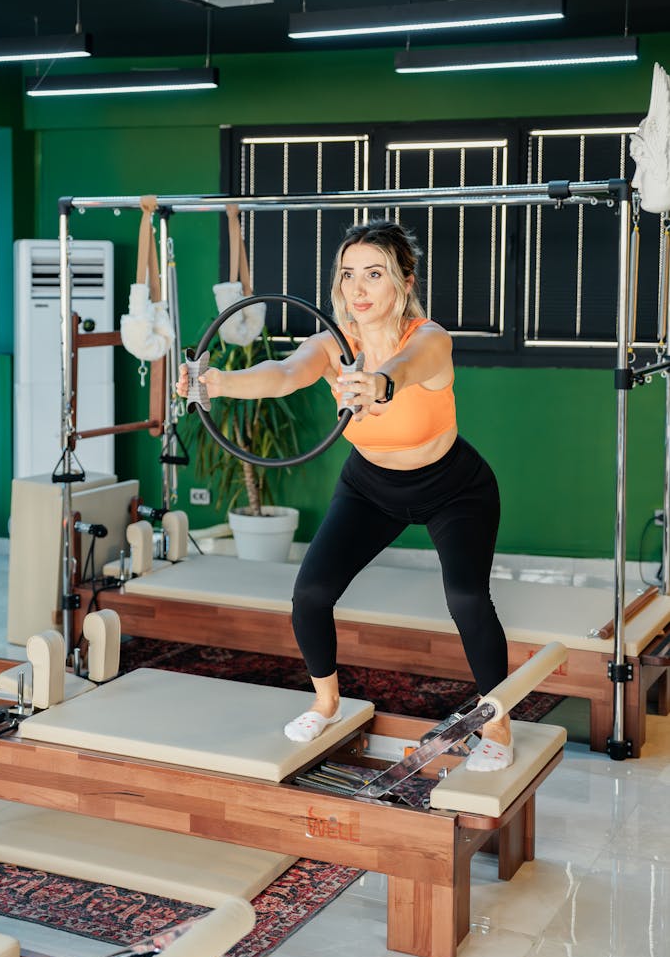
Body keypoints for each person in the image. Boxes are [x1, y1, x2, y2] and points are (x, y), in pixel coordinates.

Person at [178, 219, 512, 772]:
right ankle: (327, 703)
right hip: (370, 486)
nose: (358, 289)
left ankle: (496, 723)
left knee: (468, 599)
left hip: (455, 488)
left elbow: (407, 369)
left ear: (404, 282)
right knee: (310, 593)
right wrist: (215, 383)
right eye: (349, 275)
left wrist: (378, 383)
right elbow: (283, 373)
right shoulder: (335, 346)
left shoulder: (429, 339)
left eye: (374, 274)